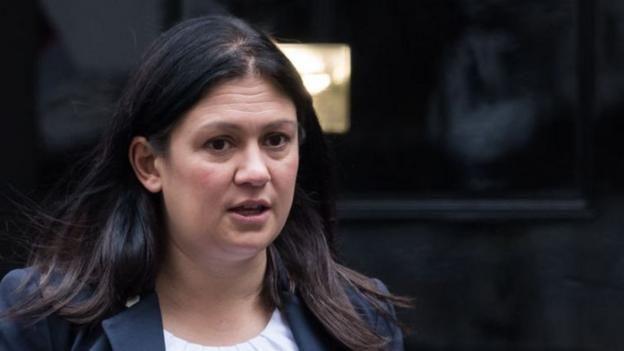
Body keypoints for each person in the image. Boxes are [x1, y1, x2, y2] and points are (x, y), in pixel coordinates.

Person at [0, 15, 406, 350]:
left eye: (276, 140)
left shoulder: (359, 319)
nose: (255, 171)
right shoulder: (45, 321)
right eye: (219, 143)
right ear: (149, 164)